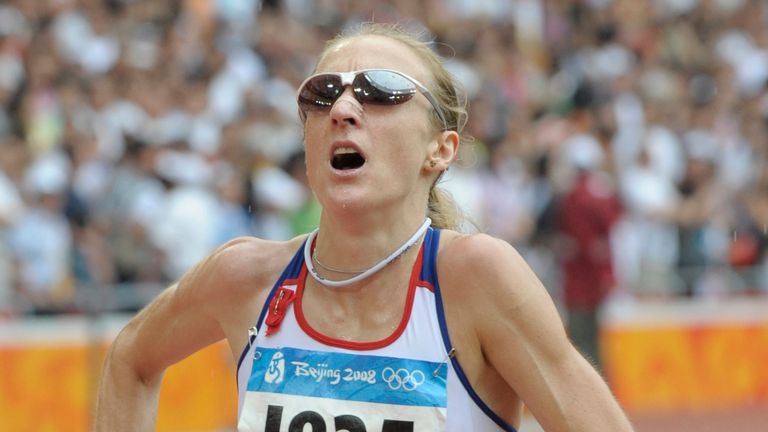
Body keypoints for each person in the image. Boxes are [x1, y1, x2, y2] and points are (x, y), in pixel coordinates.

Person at [95, 23, 634, 432]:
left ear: (440, 149)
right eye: (321, 93)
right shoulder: (244, 277)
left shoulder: (475, 277)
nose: (344, 107)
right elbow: (129, 360)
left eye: (381, 91)